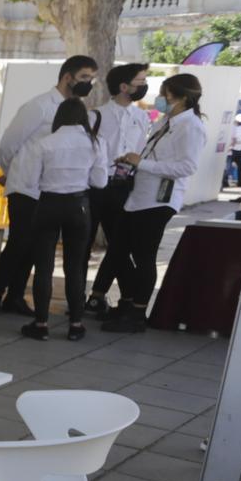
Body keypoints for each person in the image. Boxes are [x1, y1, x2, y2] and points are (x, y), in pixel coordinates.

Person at [0, 54, 98, 315]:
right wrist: (13, 172)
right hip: (26, 186)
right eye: (84, 78)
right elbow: (9, 145)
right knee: (18, 242)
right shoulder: (39, 106)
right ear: (68, 76)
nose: (88, 84)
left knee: (35, 247)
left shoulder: (78, 111)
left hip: (51, 190)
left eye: (91, 79)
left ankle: (15, 296)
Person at [102, 73, 204, 333]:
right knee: (119, 250)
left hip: (159, 201)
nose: (160, 98)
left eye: (164, 93)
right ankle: (126, 303)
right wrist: (132, 161)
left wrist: (142, 163)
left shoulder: (191, 126)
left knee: (144, 255)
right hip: (138, 195)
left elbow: (186, 166)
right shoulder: (165, 122)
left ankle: (138, 312)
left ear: (181, 97)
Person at [11, 99, 108, 340]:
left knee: (43, 266)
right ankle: (76, 325)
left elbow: (31, 181)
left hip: (48, 205)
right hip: (79, 206)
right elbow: (100, 182)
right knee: (75, 267)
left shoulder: (45, 143)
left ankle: (41, 323)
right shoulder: (96, 144)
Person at [85, 64, 152, 317]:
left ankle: (124, 297)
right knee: (85, 243)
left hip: (125, 187)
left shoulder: (142, 117)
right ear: (124, 86)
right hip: (97, 186)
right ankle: (80, 297)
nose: (144, 86)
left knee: (120, 244)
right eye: (140, 81)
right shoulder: (97, 116)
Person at [225, 115, 241, 189]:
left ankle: (240, 182)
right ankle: (225, 182)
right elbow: (234, 139)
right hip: (232, 150)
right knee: (227, 167)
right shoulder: (232, 128)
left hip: (240, 150)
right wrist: (231, 146)